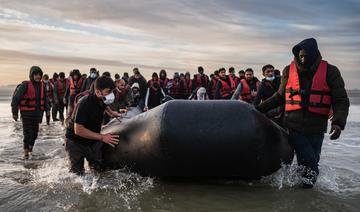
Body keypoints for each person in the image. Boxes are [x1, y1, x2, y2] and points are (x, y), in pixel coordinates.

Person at [257, 38, 350, 188]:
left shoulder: (331, 71)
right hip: (294, 126)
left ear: (314, 54)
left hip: (317, 128)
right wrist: (258, 110)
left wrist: (338, 122)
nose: (303, 59)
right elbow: (280, 96)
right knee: (311, 168)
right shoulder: (289, 70)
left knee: (309, 163)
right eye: (301, 56)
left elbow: (341, 100)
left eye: (306, 55)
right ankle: (304, 198)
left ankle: (299, 191)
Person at [65, 76, 119, 175]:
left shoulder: (103, 99)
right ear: (98, 92)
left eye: (112, 91)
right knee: (78, 174)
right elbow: (78, 130)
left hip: (92, 139)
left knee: (98, 170)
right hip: (75, 141)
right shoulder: (85, 103)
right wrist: (102, 137)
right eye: (108, 91)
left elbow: (104, 106)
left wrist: (112, 113)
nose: (111, 94)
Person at [11, 66, 50, 159]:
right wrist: (15, 113)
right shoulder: (25, 85)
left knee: (35, 133)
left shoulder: (42, 86)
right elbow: (15, 99)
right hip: (26, 114)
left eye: (39, 75)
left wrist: (47, 110)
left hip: (37, 114)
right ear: (31, 75)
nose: (38, 77)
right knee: (27, 133)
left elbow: (45, 99)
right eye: (36, 75)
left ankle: (30, 149)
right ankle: (26, 154)